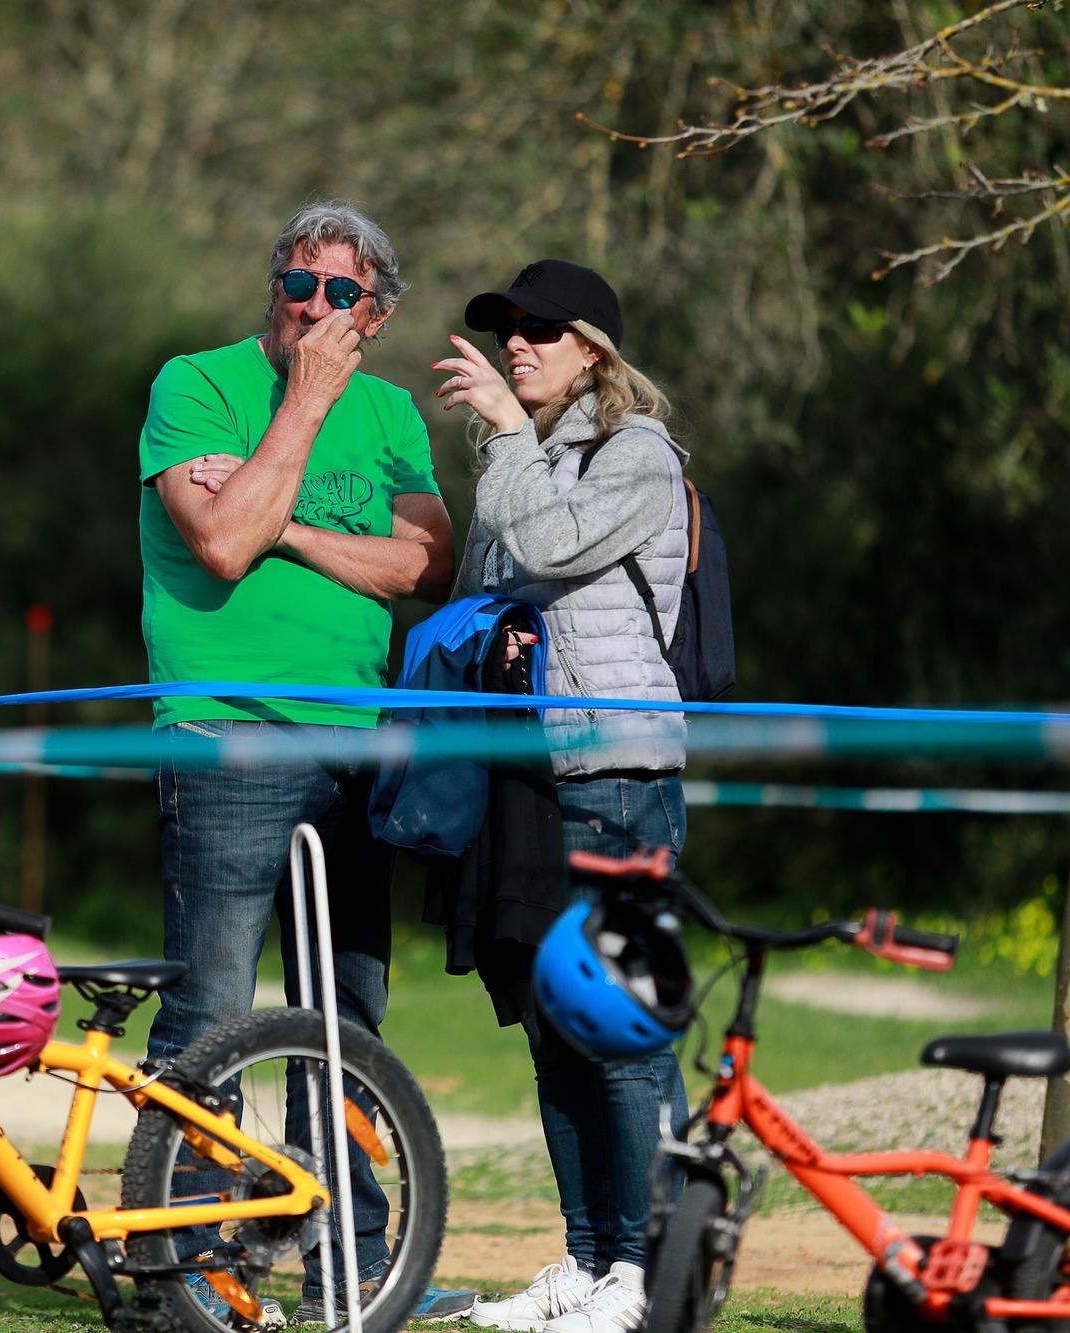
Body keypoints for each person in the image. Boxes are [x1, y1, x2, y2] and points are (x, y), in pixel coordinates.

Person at [137, 200, 473, 1326]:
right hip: (227, 733)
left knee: (347, 1021)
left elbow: (426, 564)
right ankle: (177, 1267)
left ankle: (354, 1262)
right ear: (272, 289)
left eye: (340, 294)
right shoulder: (195, 384)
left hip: (356, 748)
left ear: (373, 315)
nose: (314, 308)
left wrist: (281, 520)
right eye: (298, 284)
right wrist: (303, 406)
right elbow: (219, 543)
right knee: (210, 1015)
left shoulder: (387, 412)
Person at [433, 260, 692, 1333]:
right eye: (506, 331)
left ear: (594, 347)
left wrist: (499, 437)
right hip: (529, 778)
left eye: (539, 329)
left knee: (619, 1029)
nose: (514, 346)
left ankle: (648, 1274)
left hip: (617, 778)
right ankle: (587, 1260)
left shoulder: (637, 454)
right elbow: (486, 594)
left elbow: (545, 544)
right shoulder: (527, 457)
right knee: (551, 1025)